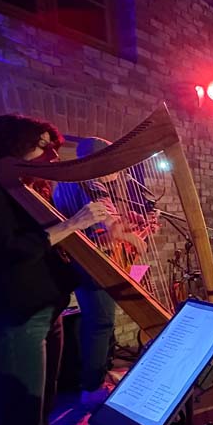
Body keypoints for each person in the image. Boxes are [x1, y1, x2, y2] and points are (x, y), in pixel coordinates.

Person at [0, 114, 107, 425]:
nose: (53, 156)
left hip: (48, 311)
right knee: (17, 424)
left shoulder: (23, 189)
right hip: (17, 318)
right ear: (12, 147)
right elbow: (8, 252)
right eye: (43, 145)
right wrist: (74, 223)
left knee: (43, 409)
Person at [53, 137, 148, 409]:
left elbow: (98, 229)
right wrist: (134, 238)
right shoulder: (91, 183)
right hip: (91, 266)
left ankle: (100, 376)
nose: (116, 169)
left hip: (86, 262)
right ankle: (91, 388)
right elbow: (110, 227)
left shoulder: (72, 183)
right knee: (100, 323)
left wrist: (127, 225)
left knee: (101, 322)